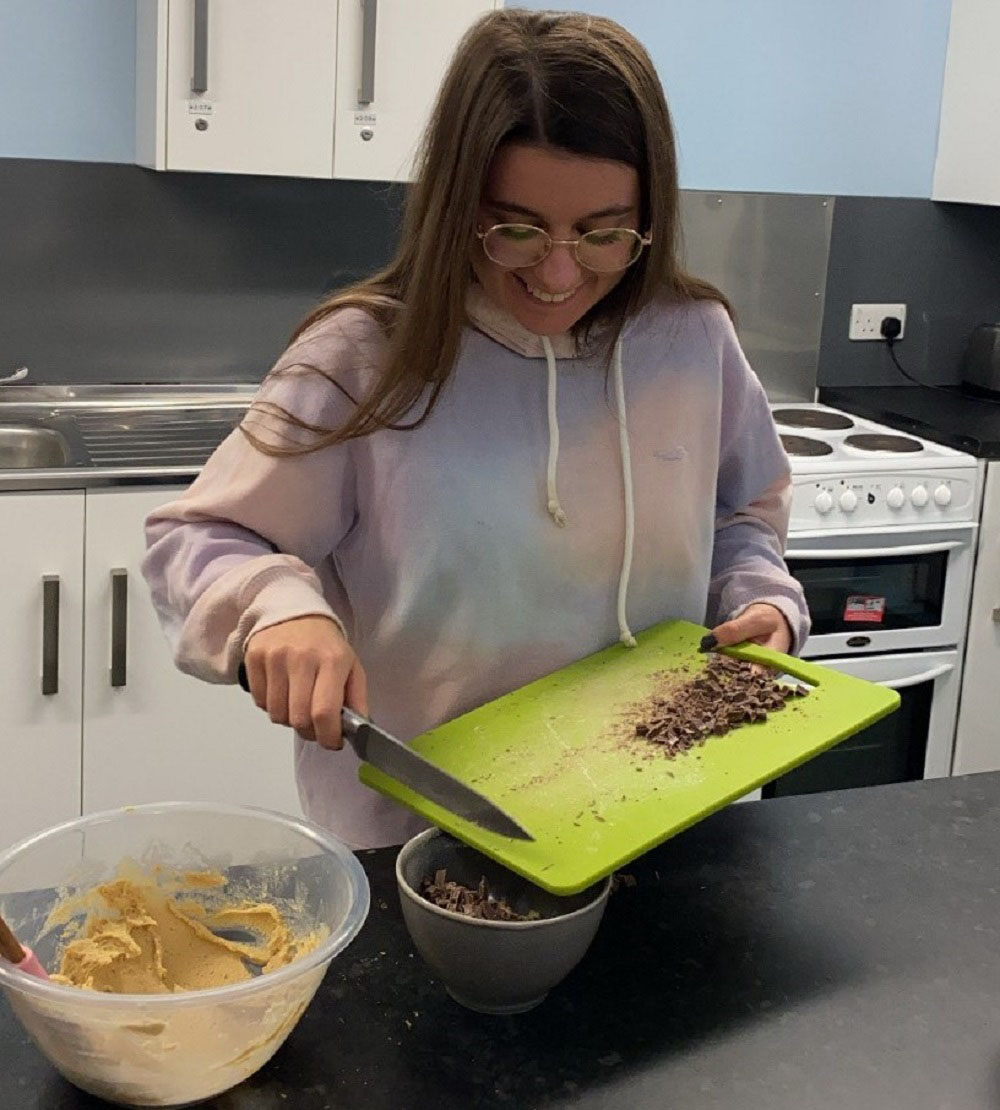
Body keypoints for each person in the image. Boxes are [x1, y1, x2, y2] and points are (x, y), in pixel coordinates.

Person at [142, 8, 809, 849]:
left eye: (603, 234)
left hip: (662, 820)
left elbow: (743, 517)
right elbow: (196, 538)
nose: (560, 273)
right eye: (517, 229)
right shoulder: (362, 359)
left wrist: (763, 601)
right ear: (455, 204)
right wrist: (276, 608)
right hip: (428, 844)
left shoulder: (692, 341)